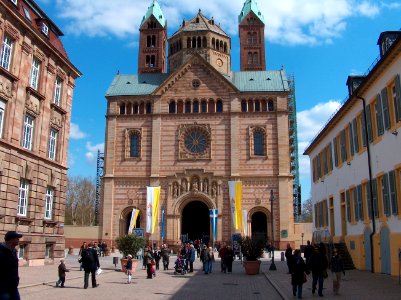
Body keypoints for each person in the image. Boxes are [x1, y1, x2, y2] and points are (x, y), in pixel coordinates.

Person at [0, 231, 23, 300]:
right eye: (17, 238)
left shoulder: (14, 251)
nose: (18, 240)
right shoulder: (1, 251)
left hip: (13, 286)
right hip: (3, 289)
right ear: (11, 239)